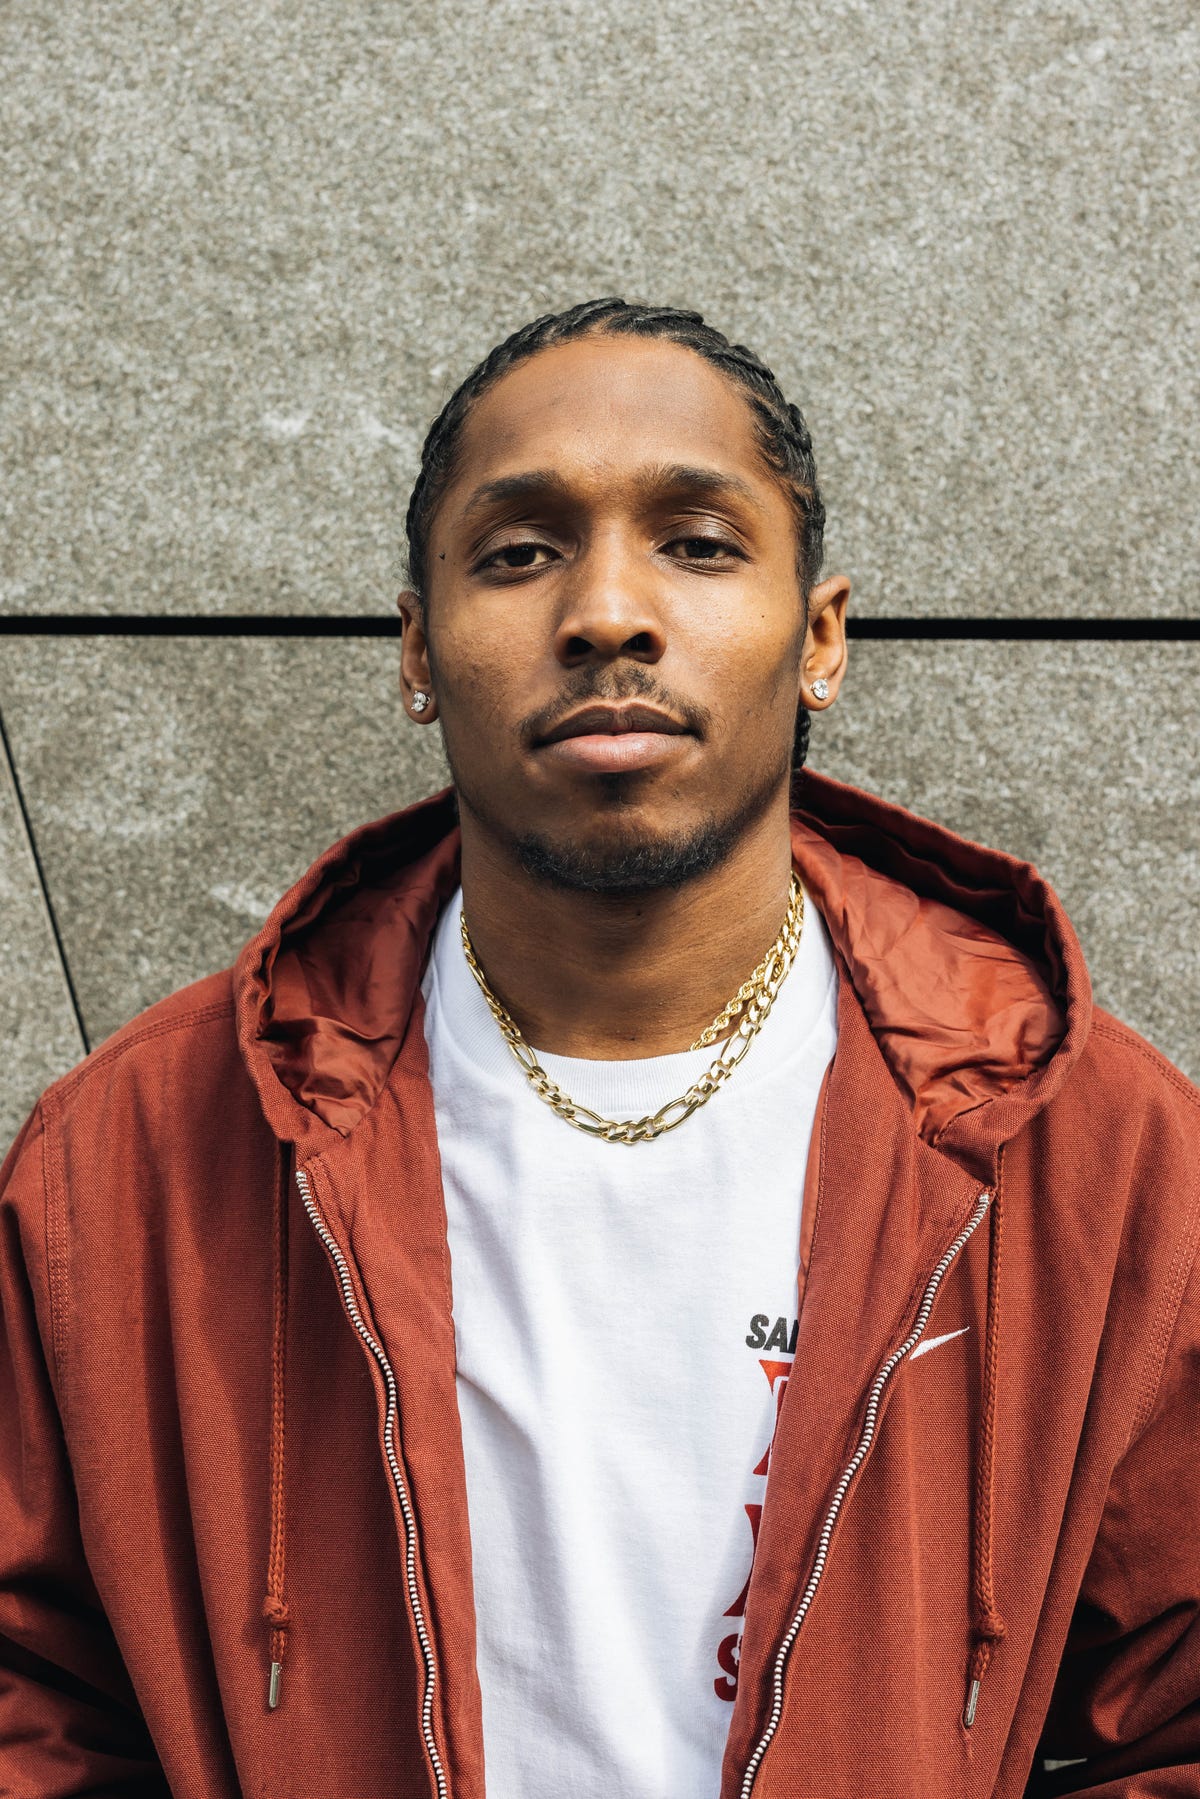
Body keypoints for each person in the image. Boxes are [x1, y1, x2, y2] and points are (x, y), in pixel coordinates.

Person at [1, 298, 1197, 1799]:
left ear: (820, 637)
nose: (609, 613)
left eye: (699, 543)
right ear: (417, 649)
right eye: (519, 553)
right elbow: (28, 1703)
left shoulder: (1096, 1154)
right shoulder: (133, 1160)